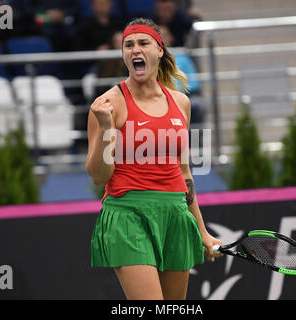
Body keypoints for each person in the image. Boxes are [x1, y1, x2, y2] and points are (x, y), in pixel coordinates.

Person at [86, 17, 221, 300]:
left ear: (160, 50)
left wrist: (202, 230)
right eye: (128, 45)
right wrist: (107, 128)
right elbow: (99, 176)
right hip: (128, 217)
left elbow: (184, 174)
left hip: (175, 216)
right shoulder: (108, 105)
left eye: (143, 43)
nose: (135, 50)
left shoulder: (181, 103)